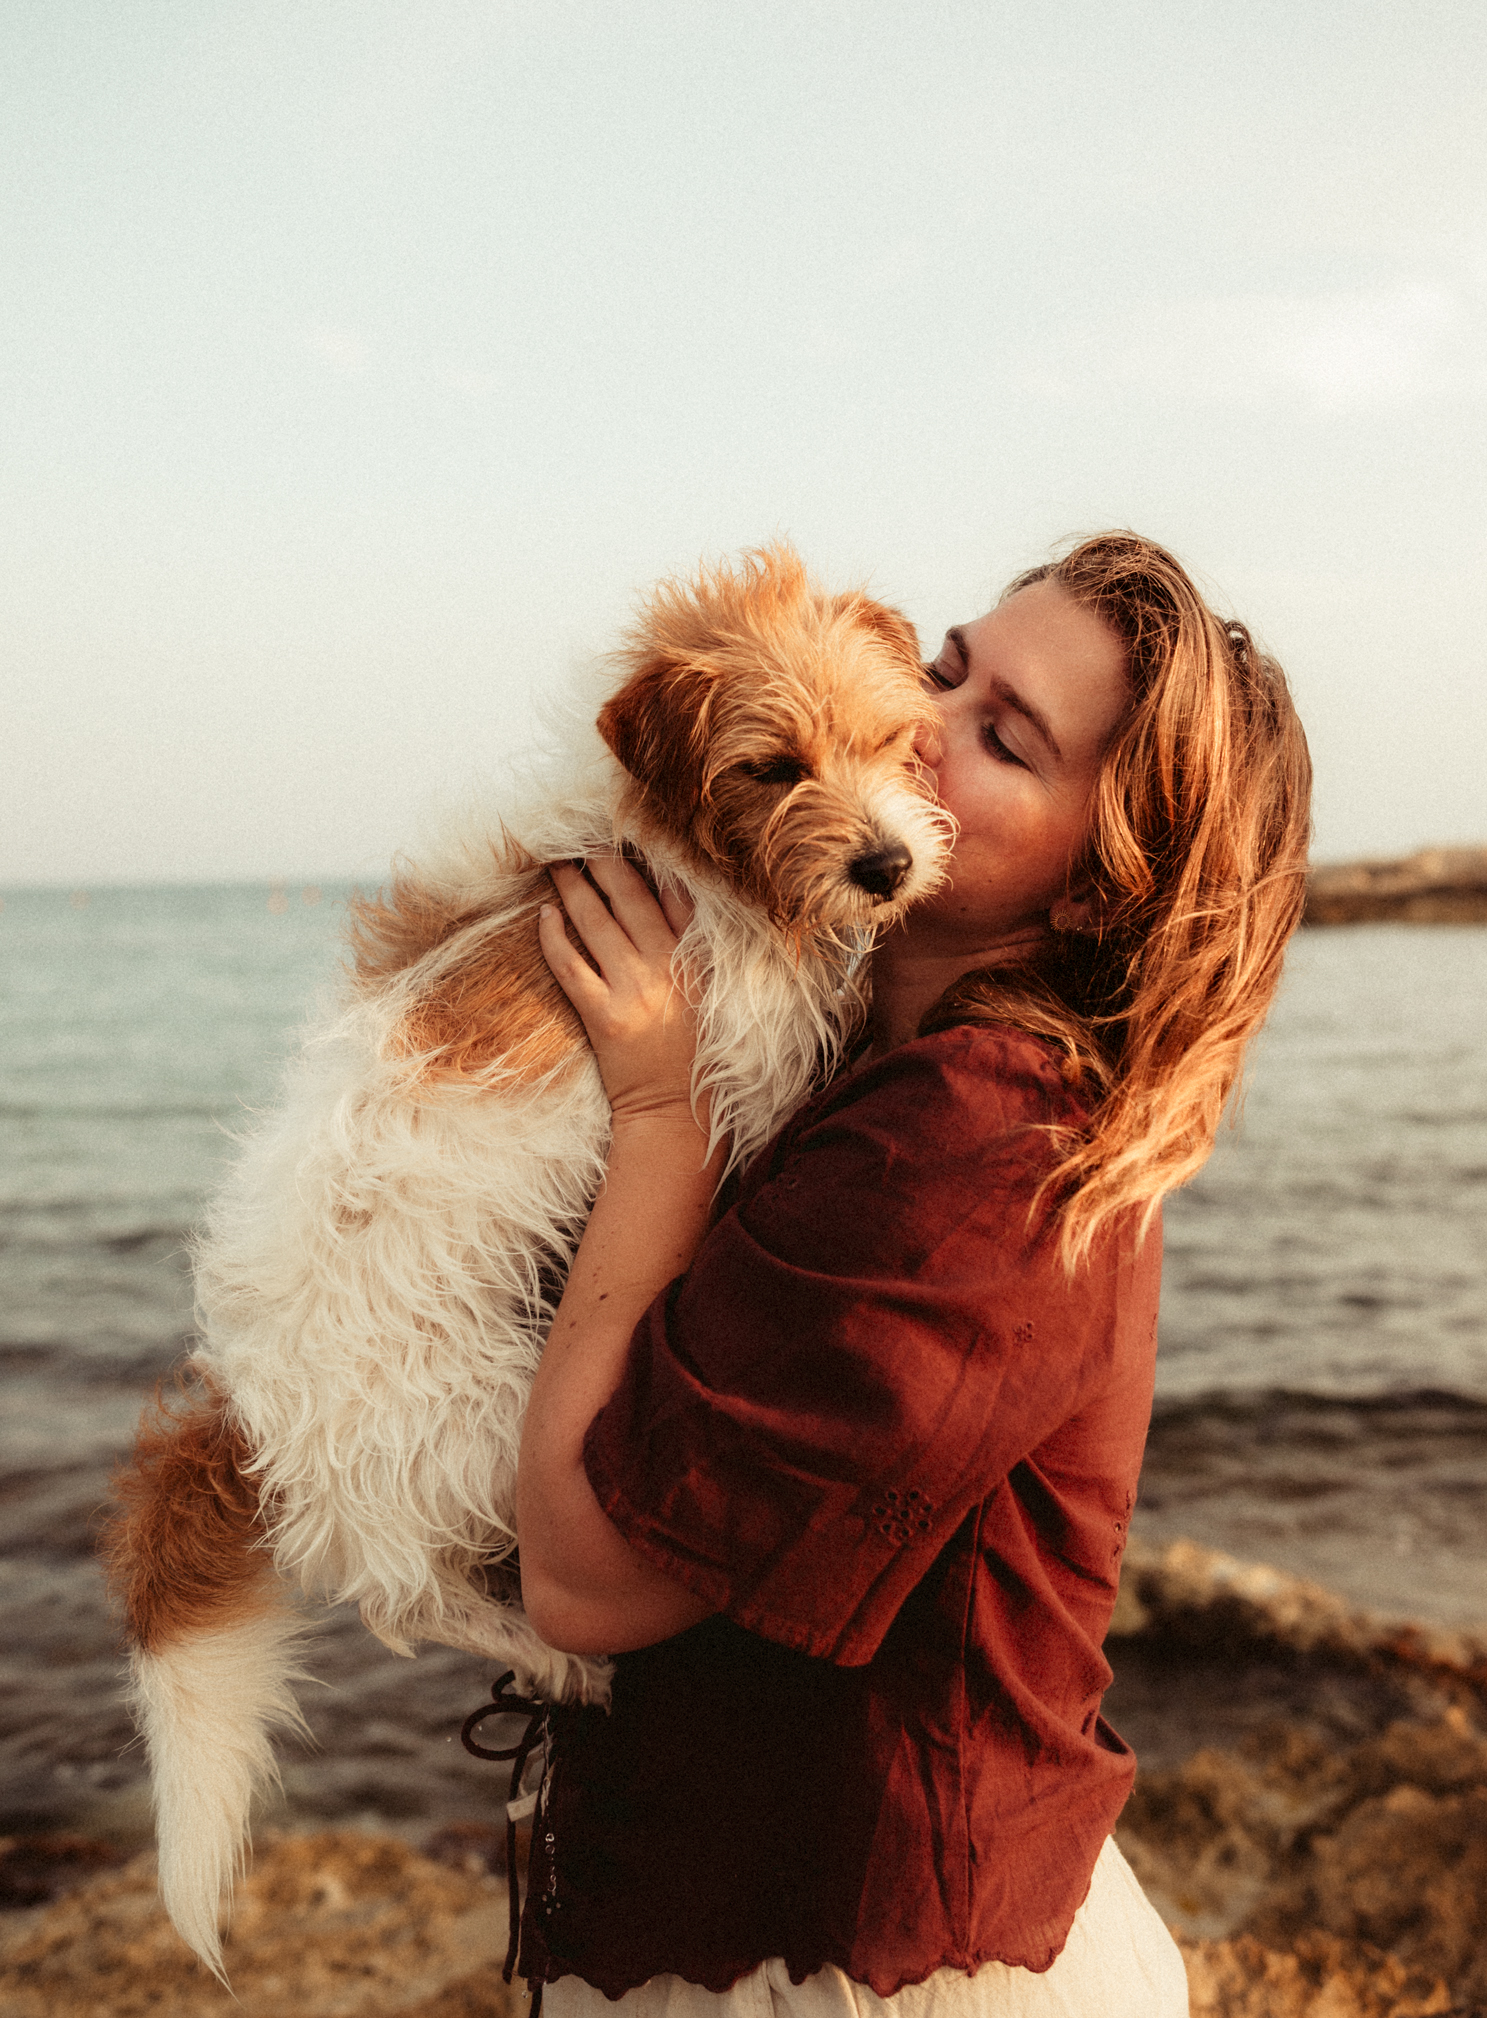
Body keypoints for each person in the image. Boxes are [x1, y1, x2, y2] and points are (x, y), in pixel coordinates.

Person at [512, 533, 1312, 2016]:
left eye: (1001, 737)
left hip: (867, 1971)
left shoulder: (976, 1143)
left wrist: (658, 1113)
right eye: (944, 665)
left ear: (1095, 890)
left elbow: (582, 1571)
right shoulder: (880, 1066)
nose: (913, 719)